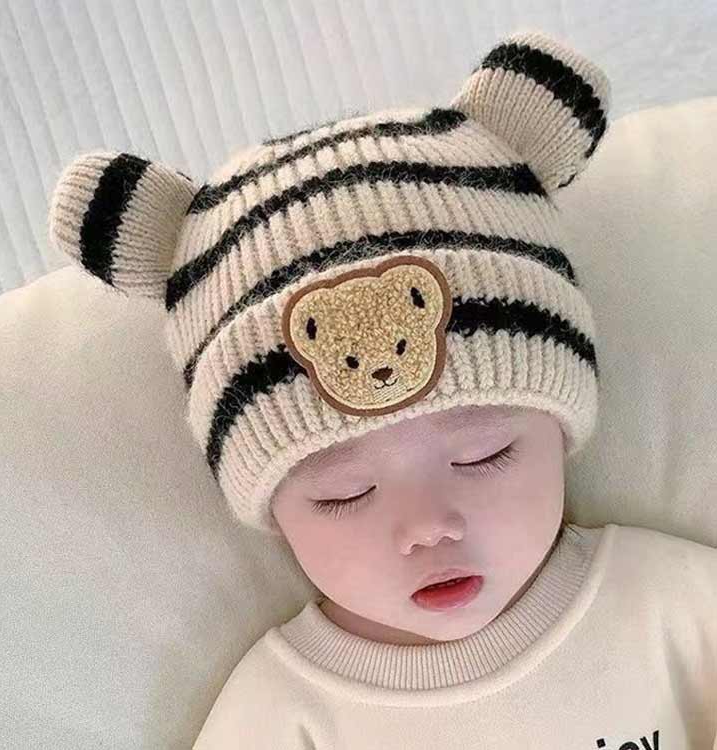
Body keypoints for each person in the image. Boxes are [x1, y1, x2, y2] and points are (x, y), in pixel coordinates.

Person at [47, 27, 717, 750]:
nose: (427, 525)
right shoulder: (284, 717)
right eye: (345, 494)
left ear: (561, 432)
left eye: (483, 454)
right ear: (273, 513)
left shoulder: (671, 607)